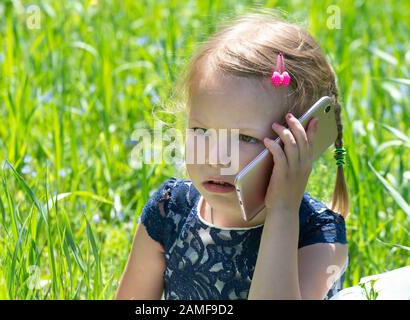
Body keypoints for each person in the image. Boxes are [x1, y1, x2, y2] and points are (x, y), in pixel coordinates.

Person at [115, 11, 350, 300]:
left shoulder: (319, 236)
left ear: (301, 141)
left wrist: (283, 213)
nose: (216, 157)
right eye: (202, 131)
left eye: (245, 138)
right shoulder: (169, 211)